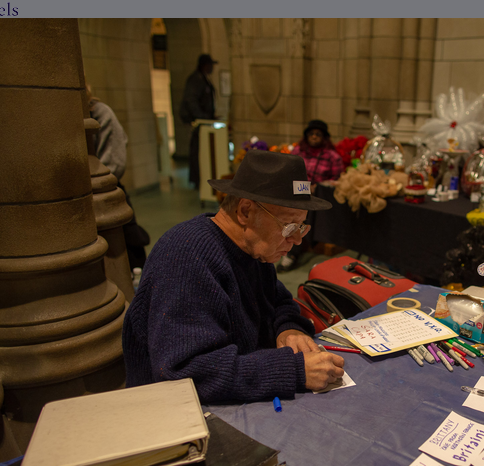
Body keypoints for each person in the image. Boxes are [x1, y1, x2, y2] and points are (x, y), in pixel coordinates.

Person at [122, 150, 345, 404]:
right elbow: (185, 374)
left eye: (302, 227)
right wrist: (292, 370)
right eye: (289, 226)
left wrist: (288, 329)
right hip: (177, 414)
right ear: (246, 212)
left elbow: (280, 301)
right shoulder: (186, 257)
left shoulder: (253, 250)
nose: (296, 240)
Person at [86, 84, 150, 269]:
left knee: (127, 258)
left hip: (105, 193)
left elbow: (115, 162)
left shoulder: (99, 112)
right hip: (85, 202)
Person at [277, 119, 344, 272]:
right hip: (294, 193)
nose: (314, 137)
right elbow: (288, 171)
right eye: (311, 133)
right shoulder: (297, 152)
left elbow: (337, 181)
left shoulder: (333, 156)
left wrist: (317, 187)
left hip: (318, 197)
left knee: (301, 213)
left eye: (318, 134)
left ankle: (291, 255)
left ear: (324, 137)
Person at [179, 53, 218, 188]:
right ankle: (198, 181)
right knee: (198, 153)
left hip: (206, 123)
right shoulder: (195, 80)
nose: (212, 68)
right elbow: (191, 101)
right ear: (204, 66)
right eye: (210, 65)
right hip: (200, 125)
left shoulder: (203, 79)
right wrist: (202, 118)